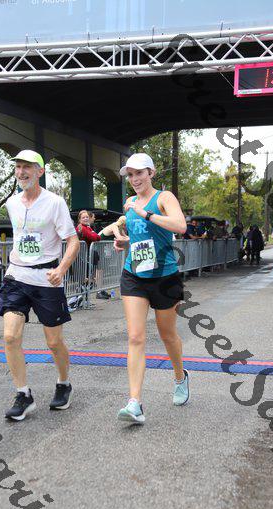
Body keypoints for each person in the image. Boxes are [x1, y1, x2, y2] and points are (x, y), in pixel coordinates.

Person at [0, 150, 80, 420]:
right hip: (17, 276)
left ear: (40, 172)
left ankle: (64, 383)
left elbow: (73, 241)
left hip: (46, 279)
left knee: (54, 341)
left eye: (27, 167)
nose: (21, 172)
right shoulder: (12, 203)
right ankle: (23, 394)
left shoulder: (55, 203)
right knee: (10, 336)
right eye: (18, 167)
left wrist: (61, 269)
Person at [115, 152, 189, 424]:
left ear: (151, 173)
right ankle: (135, 403)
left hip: (164, 277)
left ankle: (180, 377)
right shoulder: (129, 203)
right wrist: (124, 242)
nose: (134, 179)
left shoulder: (163, 198)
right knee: (135, 337)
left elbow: (180, 226)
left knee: (167, 335)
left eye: (139, 173)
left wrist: (146, 213)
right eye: (130, 175)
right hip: (134, 275)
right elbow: (139, 236)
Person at [76, 210, 110, 300]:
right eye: (83, 217)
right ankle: (79, 300)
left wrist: (93, 234)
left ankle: (84, 301)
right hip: (82, 256)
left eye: (87, 217)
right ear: (79, 219)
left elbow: (97, 237)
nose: (85, 218)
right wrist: (93, 234)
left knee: (88, 278)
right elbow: (94, 237)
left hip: (87, 255)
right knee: (85, 278)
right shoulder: (82, 228)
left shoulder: (88, 227)